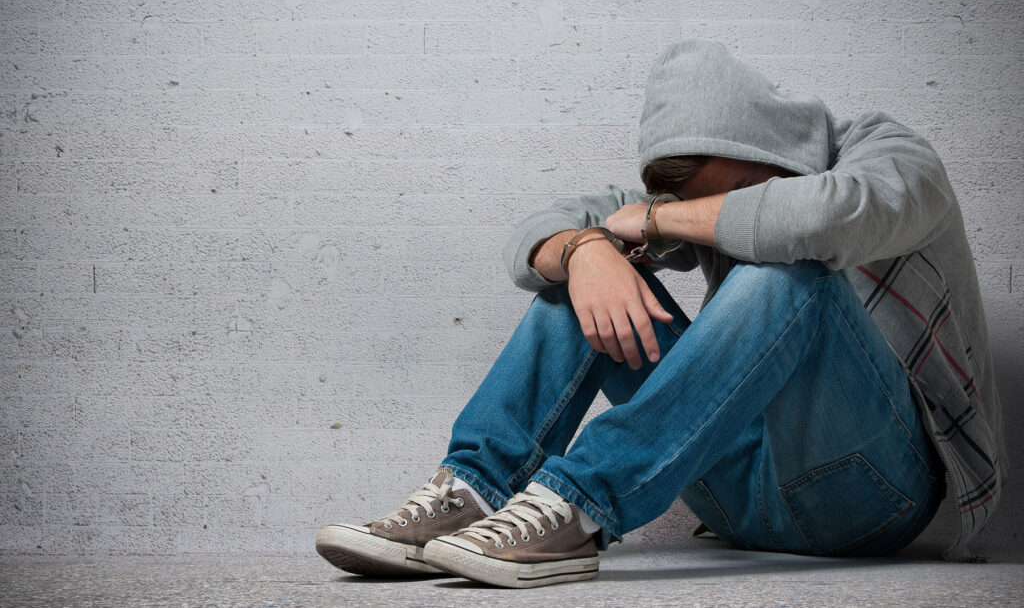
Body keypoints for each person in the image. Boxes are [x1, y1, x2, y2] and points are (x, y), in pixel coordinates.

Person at [314, 39, 1004, 588]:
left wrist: (662, 222)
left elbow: (824, 219)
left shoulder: (892, 157)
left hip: (872, 495)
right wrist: (588, 249)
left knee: (790, 275)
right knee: (583, 282)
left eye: (735, 193)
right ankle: (473, 485)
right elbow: (533, 235)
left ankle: (579, 504)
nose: (716, 216)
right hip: (740, 495)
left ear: (769, 149)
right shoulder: (675, 202)